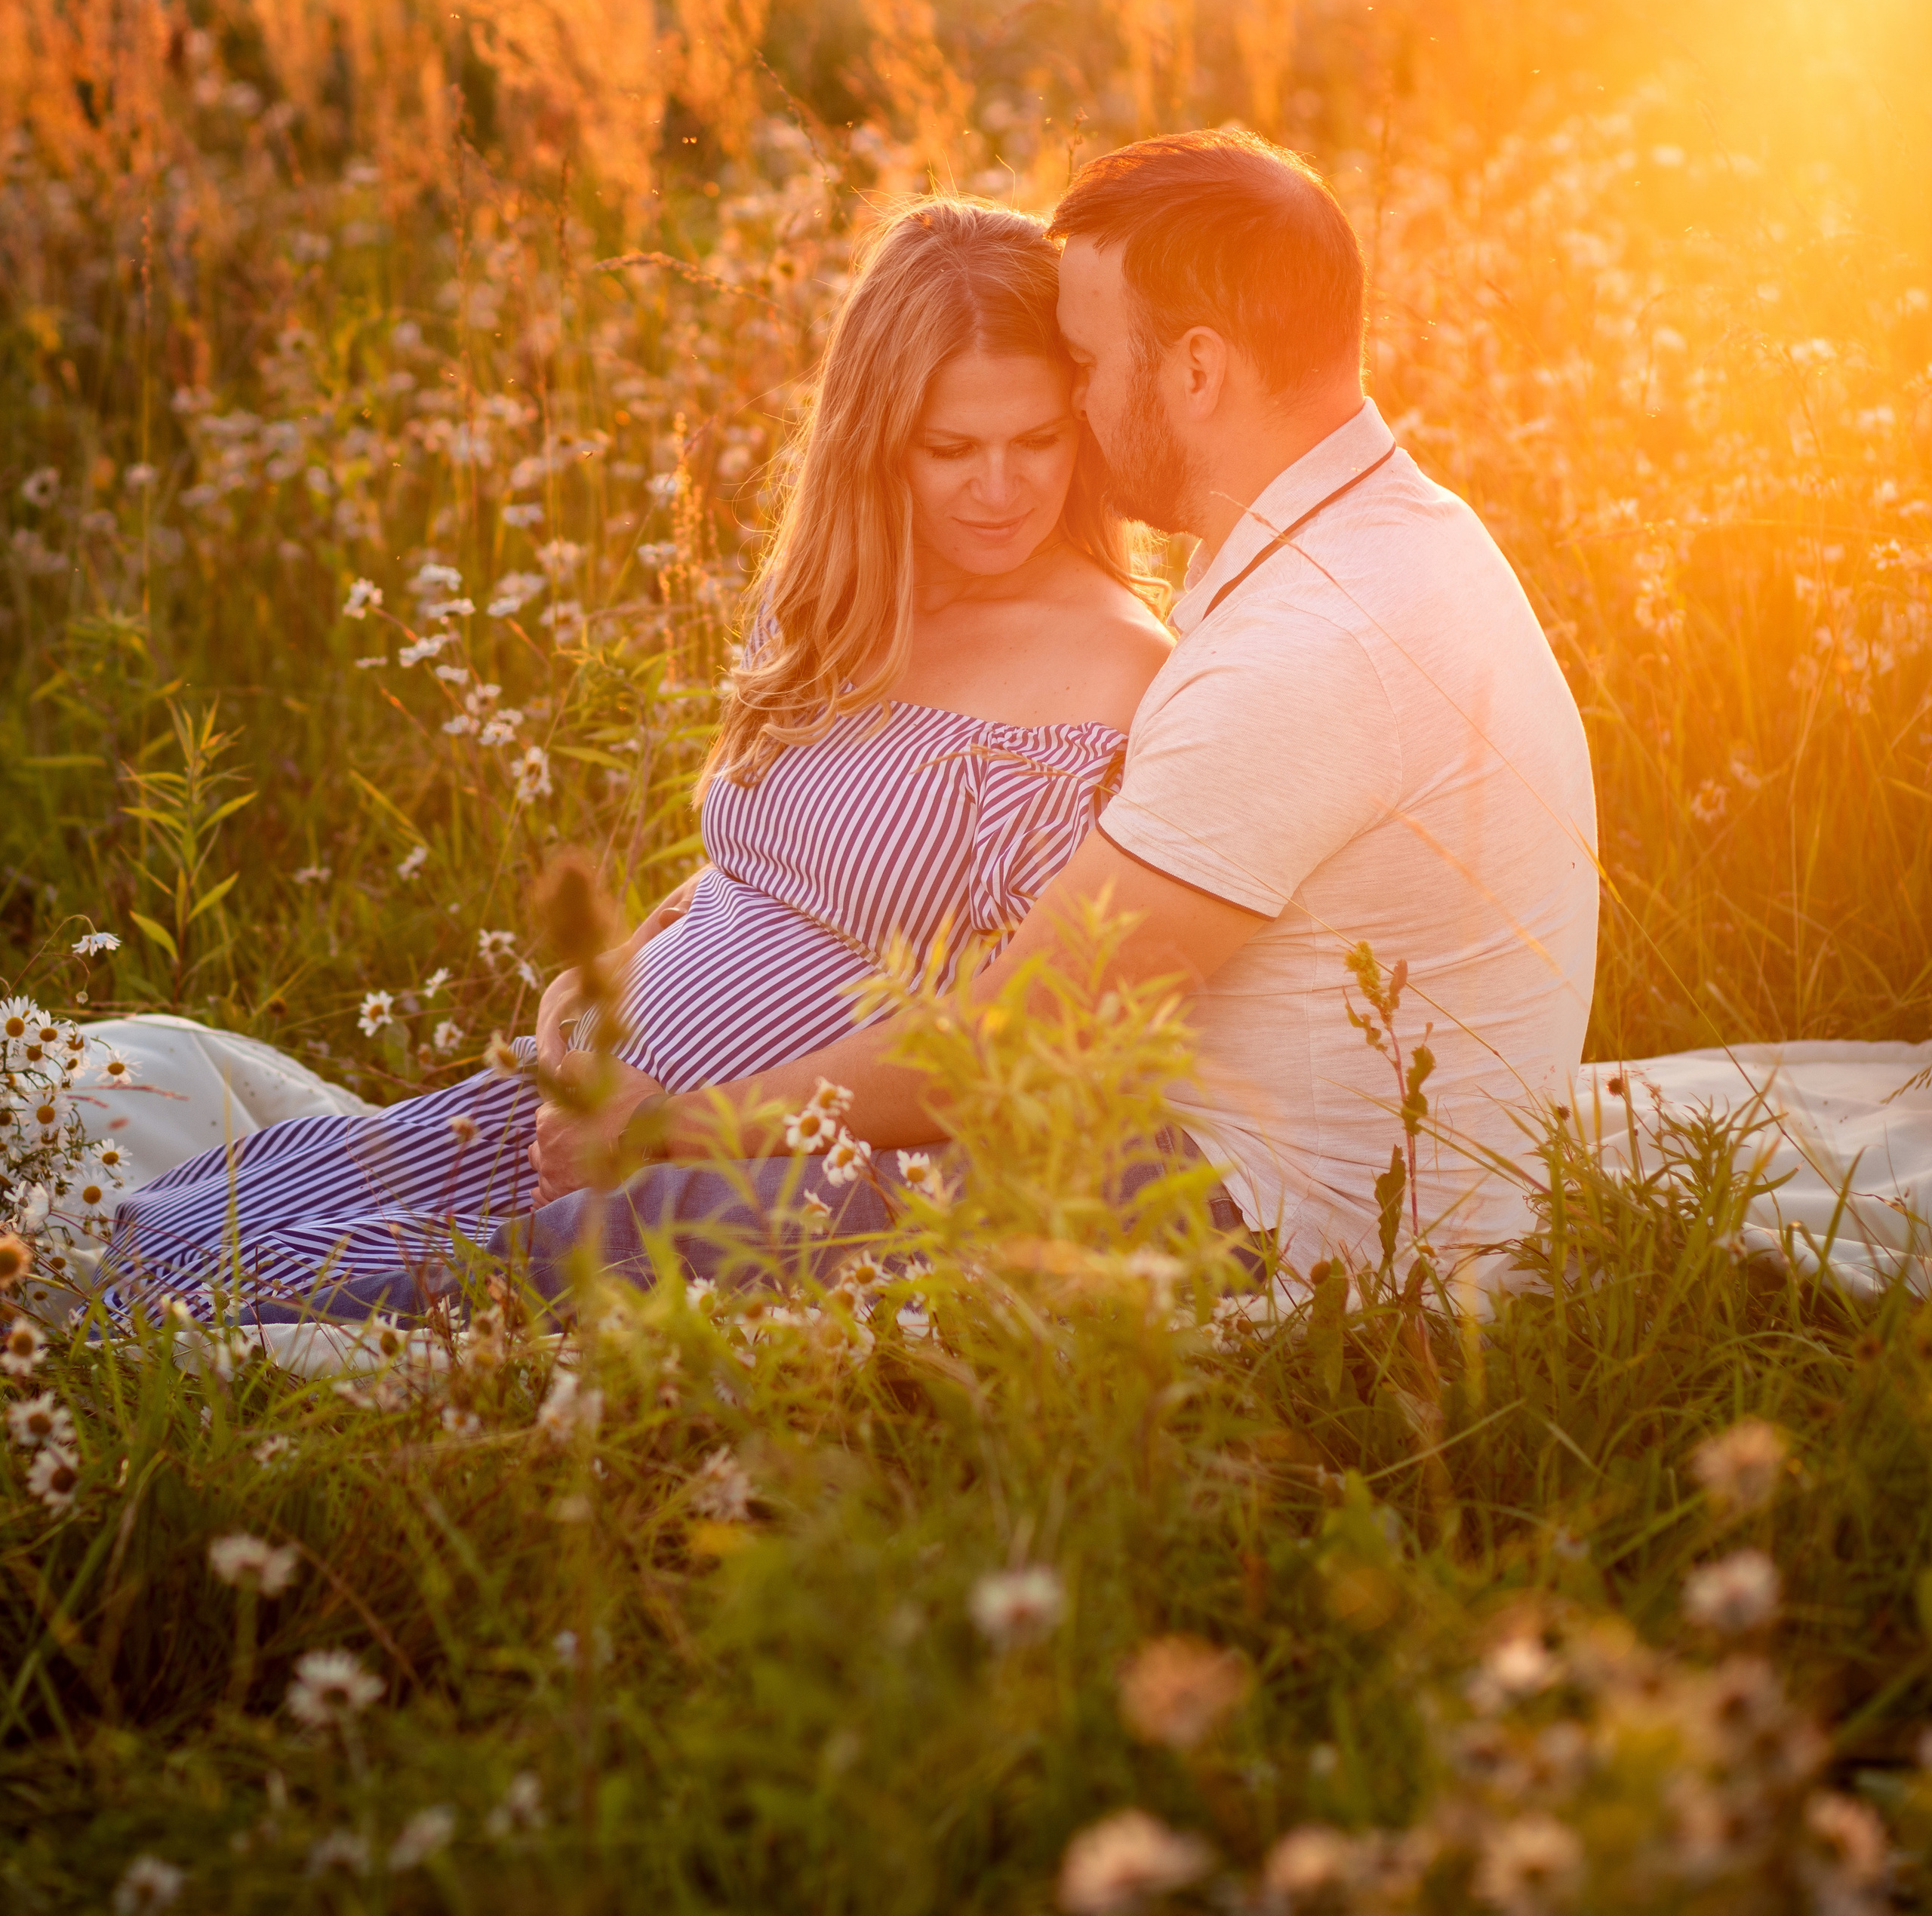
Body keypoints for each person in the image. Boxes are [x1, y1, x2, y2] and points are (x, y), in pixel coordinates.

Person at [526, 128, 1600, 1286]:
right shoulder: (1388, 536)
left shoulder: (1303, 654)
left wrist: (680, 1125)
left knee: (606, 1244)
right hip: (1254, 1175)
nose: (1073, 405)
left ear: (1196, 372)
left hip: (1256, 1230)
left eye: (1083, 364)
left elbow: (1013, 1046)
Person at [101, 200, 1172, 1318]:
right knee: (169, 1230)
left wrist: (665, 1126)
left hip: (727, 1193)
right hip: (573, 1110)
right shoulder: (833, 606)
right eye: (951, 449)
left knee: (224, 1303)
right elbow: (757, 870)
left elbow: (1013, 1041)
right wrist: (597, 986)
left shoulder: (1111, 681)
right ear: (875, 437)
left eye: (1038, 440)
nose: (1001, 490)